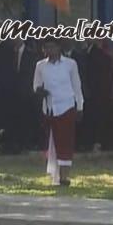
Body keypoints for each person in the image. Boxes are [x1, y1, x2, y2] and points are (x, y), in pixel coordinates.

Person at [33, 38, 84, 186]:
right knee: (54, 142)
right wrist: (40, 91)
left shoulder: (70, 64)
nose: (50, 50)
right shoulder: (40, 66)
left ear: (59, 48)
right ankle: (55, 173)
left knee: (66, 141)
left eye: (52, 47)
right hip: (50, 108)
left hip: (67, 106)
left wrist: (80, 107)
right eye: (46, 48)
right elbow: (36, 85)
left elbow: (77, 86)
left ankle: (65, 176)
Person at [79, 39, 112, 152]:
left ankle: (96, 142)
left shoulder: (98, 54)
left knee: (96, 118)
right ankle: (91, 141)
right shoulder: (85, 53)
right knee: (91, 118)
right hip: (91, 92)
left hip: (96, 93)